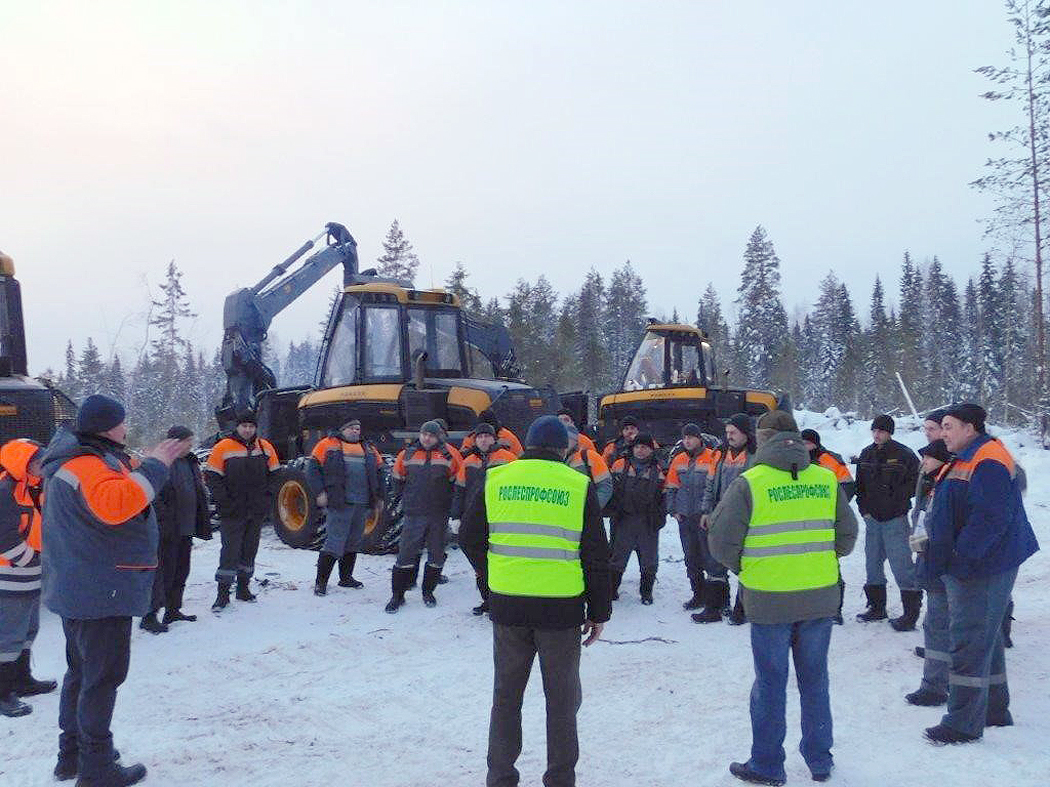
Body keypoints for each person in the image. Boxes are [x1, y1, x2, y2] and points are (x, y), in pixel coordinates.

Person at [41, 394, 187, 786]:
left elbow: (121, 482)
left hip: (82, 588)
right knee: (101, 680)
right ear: (107, 426)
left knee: (82, 673)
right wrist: (157, 464)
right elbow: (119, 503)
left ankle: (72, 755)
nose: (126, 427)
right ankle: (97, 768)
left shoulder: (83, 461)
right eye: (122, 422)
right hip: (98, 591)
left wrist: (153, 460)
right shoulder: (86, 465)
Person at [459, 415, 611, 787]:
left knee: (506, 697)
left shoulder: (497, 478)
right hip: (560, 610)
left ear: (526, 444)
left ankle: (501, 777)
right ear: (564, 449)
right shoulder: (577, 484)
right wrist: (599, 610)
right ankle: (560, 780)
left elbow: (468, 536)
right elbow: (595, 553)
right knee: (561, 702)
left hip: (509, 607)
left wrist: (493, 575)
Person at [707, 410, 857, 786]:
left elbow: (721, 542)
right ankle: (820, 761)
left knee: (771, 683)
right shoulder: (825, 479)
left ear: (764, 437)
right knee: (815, 679)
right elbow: (848, 536)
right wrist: (816, 559)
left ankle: (768, 764)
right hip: (820, 597)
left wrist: (750, 568)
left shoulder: (750, 483)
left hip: (769, 599)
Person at [921, 404, 1038, 745]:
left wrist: (961, 557)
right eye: (941, 427)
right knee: (986, 637)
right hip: (979, 561)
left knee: (969, 638)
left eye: (948, 426)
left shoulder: (986, 459)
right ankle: (994, 709)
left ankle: (962, 722)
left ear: (969, 428)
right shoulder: (969, 454)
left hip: (983, 565)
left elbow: (990, 518)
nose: (943, 433)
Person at [0, 438, 56, 718]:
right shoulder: (6, 491)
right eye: (37, 461)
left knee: (27, 630)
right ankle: (3, 692)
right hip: (9, 576)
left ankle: (22, 680)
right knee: (7, 636)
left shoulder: (32, 488)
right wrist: (29, 559)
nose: (42, 466)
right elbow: (3, 537)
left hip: (29, 573)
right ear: (22, 463)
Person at [204, 411, 279, 612]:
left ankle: (243, 589)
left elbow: (275, 476)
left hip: (255, 511)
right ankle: (222, 594)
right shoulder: (223, 447)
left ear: (255, 428)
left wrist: (266, 500)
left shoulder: (265, 447)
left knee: (249, 550)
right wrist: (225, 502)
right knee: (230, 551)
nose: (247, 430)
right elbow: (212, 477)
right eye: (244, 426)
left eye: (251, 426)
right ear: (237, 427)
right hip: (232, 511)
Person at [139, 426, 211, 633]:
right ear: (176, 442)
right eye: (188, 441)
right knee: (162, 574)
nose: (191, 444)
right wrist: (163, 520)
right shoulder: (159, 464)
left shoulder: (191, 462)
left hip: (186, 527)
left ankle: (173, 609)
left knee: (181, 571)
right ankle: (149, 615)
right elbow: (152, 496)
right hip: (166, 530)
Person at [853, 414, 921, 629]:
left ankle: (910, 614)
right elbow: (859, 487)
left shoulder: (904, 455)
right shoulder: (866, 454)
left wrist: (896, 497)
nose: (877, 434)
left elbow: (917, 483)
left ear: (889, 432)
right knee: (872, 564)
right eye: (874, 430)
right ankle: (876, 607)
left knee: (902, 565)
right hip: (873, 519)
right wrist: (864, 510)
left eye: (881, 431)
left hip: (896, 519)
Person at [386, 421, 460, 612]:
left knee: (436, 555)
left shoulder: (450, 456)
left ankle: (428, 592)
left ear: (439, 437)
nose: (427, 438)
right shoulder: (407, 454)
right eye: (424, 434)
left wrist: (453, 509)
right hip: (414, 513)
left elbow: (457, 485)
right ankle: (397, 596)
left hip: (439, 514)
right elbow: (397, 481)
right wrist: (405, 500)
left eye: (431, 435)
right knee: (405, 555)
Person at [306, 418, 385, 596]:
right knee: (334, 542)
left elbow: (380, 472)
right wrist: (319, 493)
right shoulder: (326, 444)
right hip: (340, 502)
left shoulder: (369, 448)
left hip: (363, 503)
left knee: (353, 542)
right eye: (352, 428)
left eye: (358, 428)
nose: (356, 431)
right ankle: (321, 583)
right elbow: (312, 470)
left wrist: (380, 497)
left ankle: (346, 578)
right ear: (342, 429)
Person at [904, 438, 953, 707]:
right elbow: (919, 521)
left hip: (942, 566)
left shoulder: (946, 485)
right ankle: (936, 682)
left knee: (938, 625)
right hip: (929, 562)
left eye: (928, 458)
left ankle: (935, 686)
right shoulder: (927, 483)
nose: (923, 462)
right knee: (936, 625)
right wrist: (918, 552)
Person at [450, 422, 517, 615]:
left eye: (487, 436)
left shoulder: (508, 458)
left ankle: (503, 599)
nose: (483, 440)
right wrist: (456, 515)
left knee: (500, 559)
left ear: (493, 438)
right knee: (479, 559)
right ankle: (487, 599)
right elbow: (460, 490)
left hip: (500, 516)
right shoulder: (468, 460)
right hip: (474, 516)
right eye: (479, 437)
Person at [699, 413, 755, 625]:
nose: (729, 436)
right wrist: (706, 511)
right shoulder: (719, 454)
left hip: (745, 518)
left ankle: (742, 609)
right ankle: (715, 606)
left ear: (745, 433)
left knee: (745, 562)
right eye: (727, 432)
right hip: (720, 516)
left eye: (733, 432)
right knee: (715, 560)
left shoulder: (755, 455)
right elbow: (710, 484)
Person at [665, 423, 720, 612]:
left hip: (704, 517)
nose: (688, 441)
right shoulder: (678, 459)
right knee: (691, 558)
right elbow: (671, 486)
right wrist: (673, 510)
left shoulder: (712, 457)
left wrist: (710, 511)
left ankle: (717, 599)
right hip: (685, 517)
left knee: (710, 558)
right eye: (685, 437)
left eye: (691, 437)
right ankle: (698, 595)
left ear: (699, 439)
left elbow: (714, 488)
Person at [800, 429, 854, 624]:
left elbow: (848, 486)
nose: (804, 447)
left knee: (831, 566)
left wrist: (831, 507)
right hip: (801, 522)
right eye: (802, 443)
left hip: (826, 522)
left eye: (807, 443)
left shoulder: (829, 459)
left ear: (815, 443)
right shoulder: (796, 462)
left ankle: (835, 610)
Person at [608, 433, 665, 605]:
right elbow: (610, 489)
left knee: (649, 560)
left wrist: (658, 520)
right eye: (637, 447)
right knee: (617, 558)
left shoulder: (658, 470)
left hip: (647, 522)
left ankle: (646, 593)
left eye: (644, 447)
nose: (640, 450)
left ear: (651, 449)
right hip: (624, 519)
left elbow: (663, 498)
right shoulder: (620, 465)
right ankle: (611, 591)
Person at [565, 424, 613, 509]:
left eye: (568, 438)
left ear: (575, 440)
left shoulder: (589, 456)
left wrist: (591, 509)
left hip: (585, 515)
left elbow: (605, 487)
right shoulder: (553, 459)